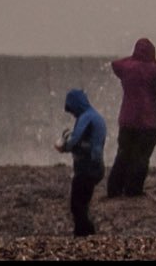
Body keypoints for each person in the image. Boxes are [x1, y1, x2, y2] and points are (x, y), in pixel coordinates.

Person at [109, 37, 156, 197]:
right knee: (141, 157)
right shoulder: (154, 70)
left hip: (128, 119)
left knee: (123, 154)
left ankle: (114, 189)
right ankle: (133, 189)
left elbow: (115, 64)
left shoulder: (126, 67)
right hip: (149, 121)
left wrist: (133, 59)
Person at [55, 88, 107, 236]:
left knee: (77, 204)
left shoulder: (86, 117)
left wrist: (63, 147)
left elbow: (75, 140)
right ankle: (84, 234)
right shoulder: (96, 117)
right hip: (97, 166)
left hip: (87, 167)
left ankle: (85, 233)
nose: (72, 113)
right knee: (83, 202)